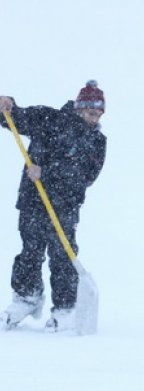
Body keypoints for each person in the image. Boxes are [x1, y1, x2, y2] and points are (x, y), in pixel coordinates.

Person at [0, 80, 107, 332]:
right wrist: (8, 106)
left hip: (65, 205)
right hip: (32, 200)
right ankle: (27, 298)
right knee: (30, 251)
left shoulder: (97, 141)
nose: (95, 119)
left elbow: (84, 177)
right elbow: (18, 119)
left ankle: (65, 308)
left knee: (62, 255)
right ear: (80, 108)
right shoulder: (48, 118)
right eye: (92, 113)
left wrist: (45, 173)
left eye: (99, 114)